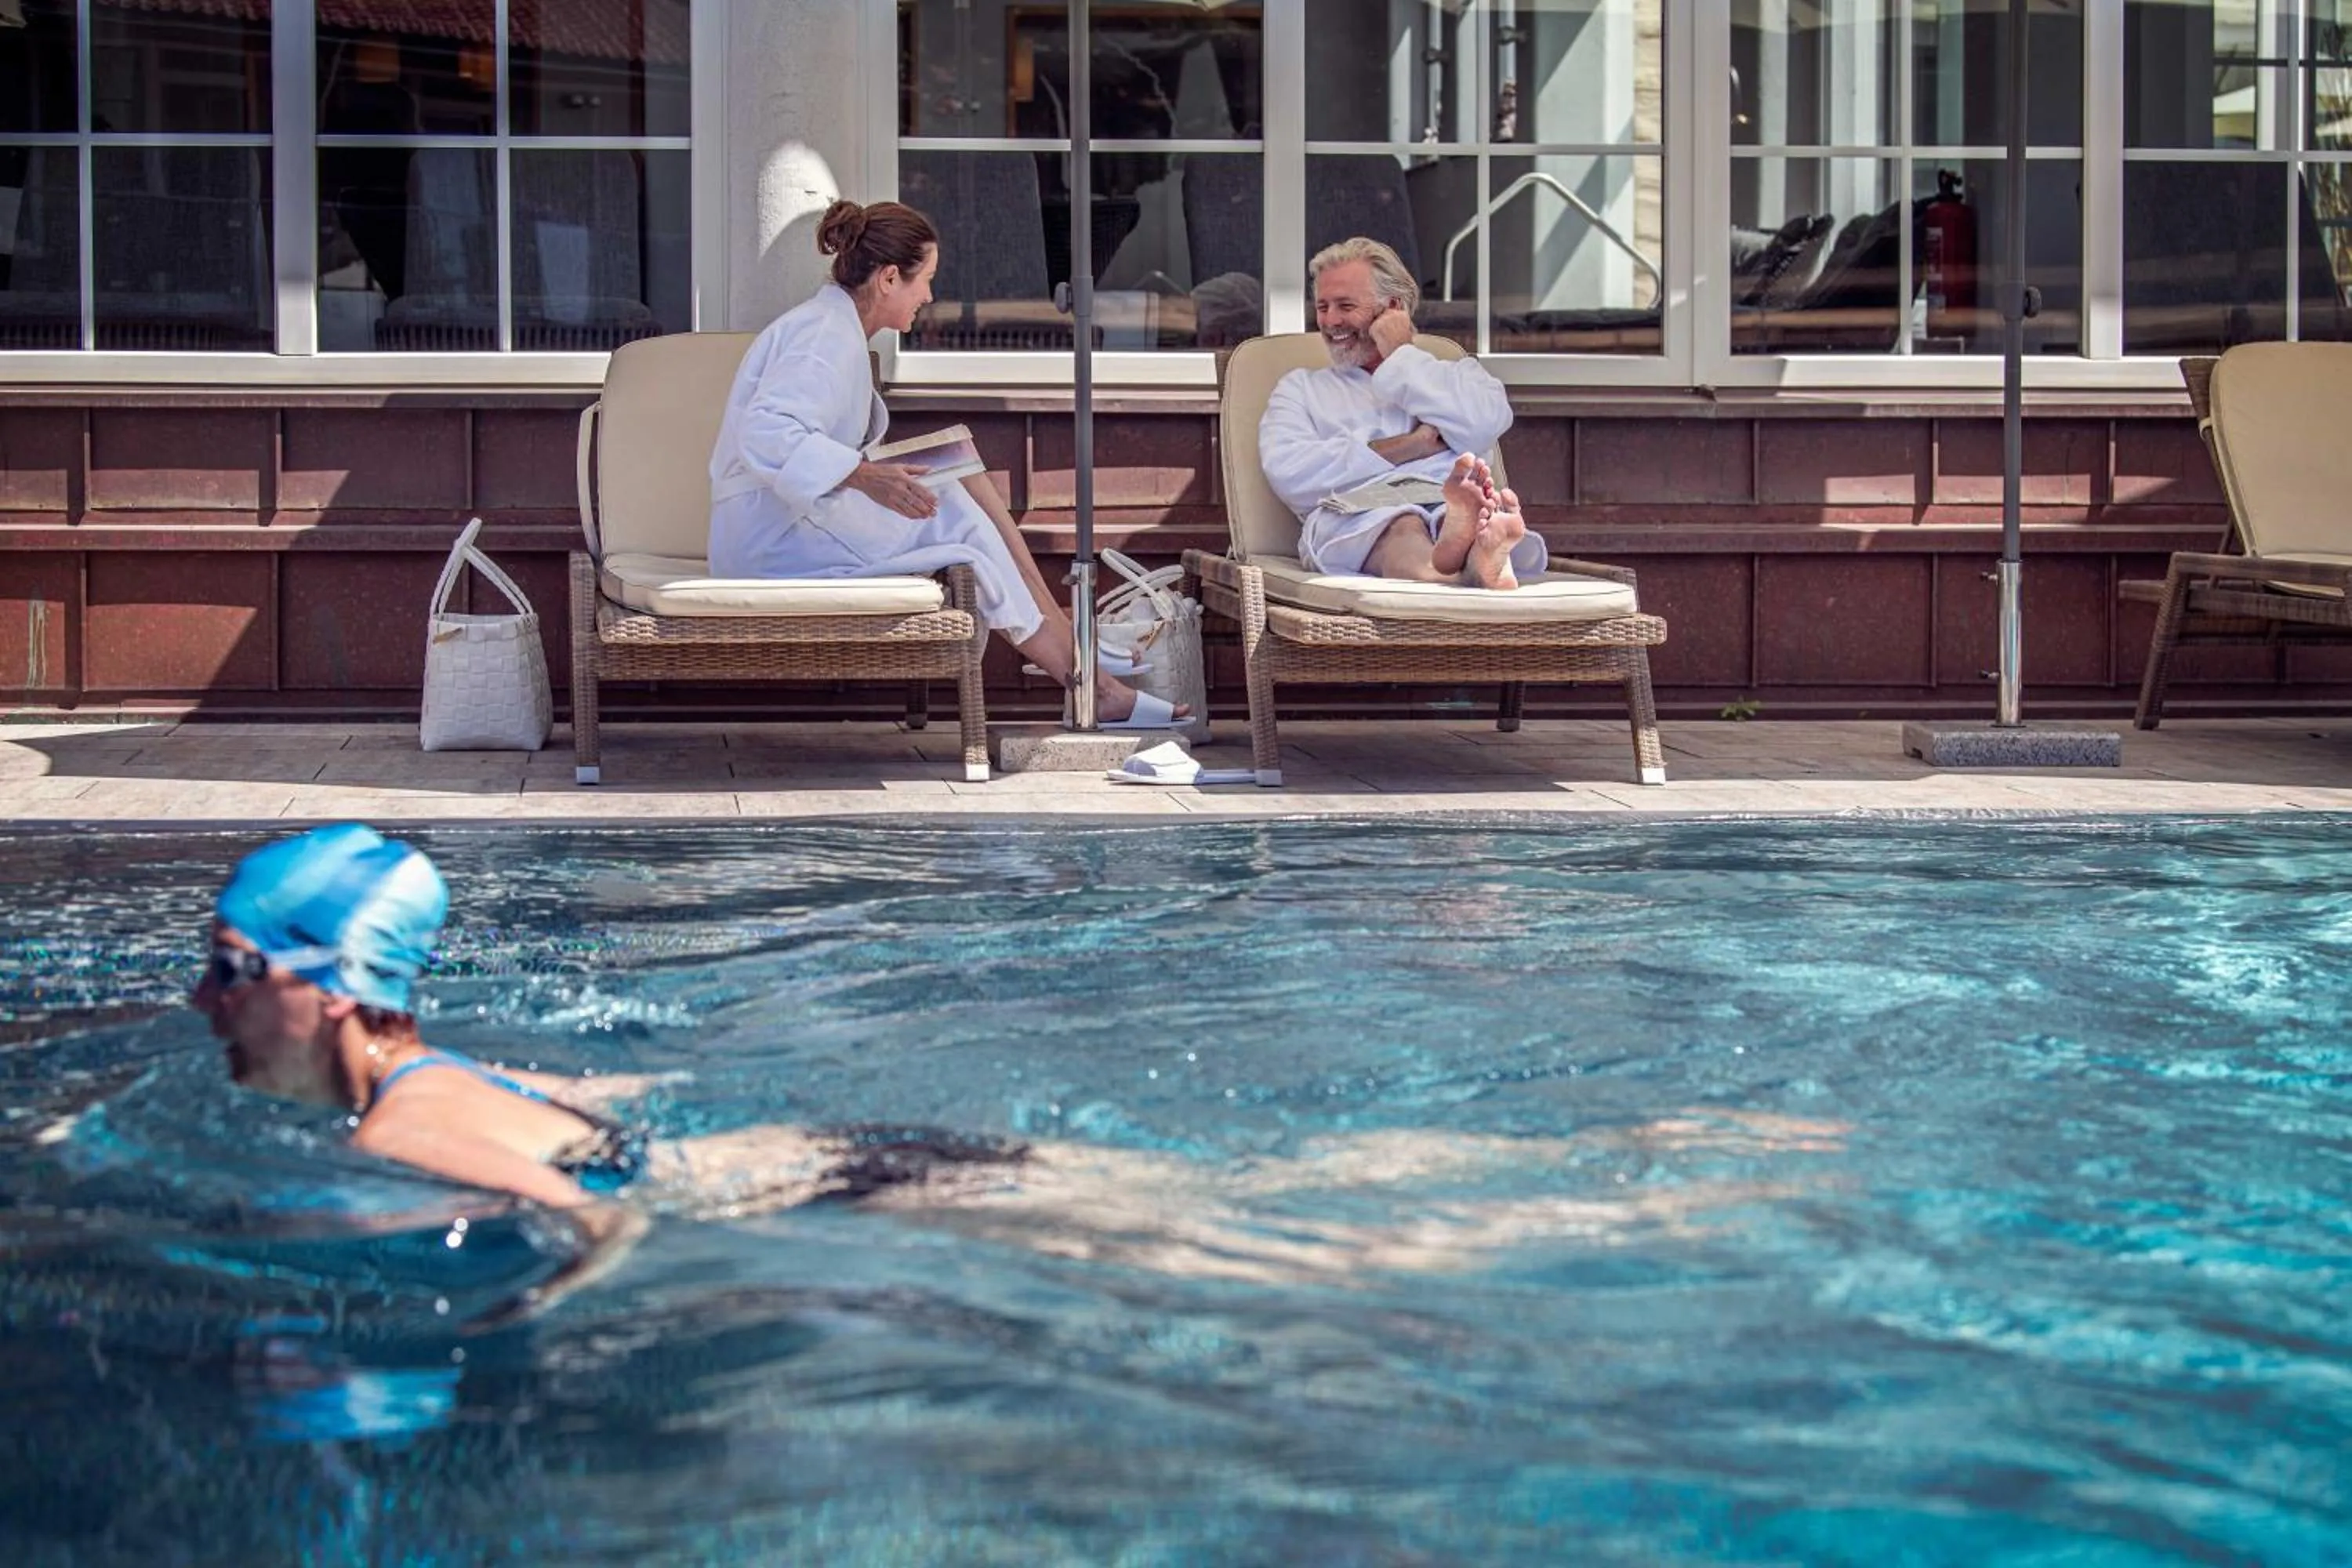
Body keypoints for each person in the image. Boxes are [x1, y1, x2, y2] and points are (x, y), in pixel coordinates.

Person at [194, 826, 1846, 1314]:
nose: (205, 999)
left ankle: (1684, 1182)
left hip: (872, 1182)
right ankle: (1651, 1144)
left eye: (230, 969)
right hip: (865, 1153)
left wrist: (544, 1308)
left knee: (1308, 1253)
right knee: (1258, 1200)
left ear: (326, 991)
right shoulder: (430, 1075)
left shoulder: (414, 1122)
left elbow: (591, 1214)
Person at [708, 198, 1183, 730]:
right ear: (889, 278)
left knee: (962, 469)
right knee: (956, 516)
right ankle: (1086, 679)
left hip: (793, 521)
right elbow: (768, 432)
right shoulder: (822, 336)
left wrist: (871, 472)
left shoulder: (831, 328)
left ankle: (1070, 644)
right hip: (772, 543)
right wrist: (864, 476)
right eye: (924, 280)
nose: (930, 296)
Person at [1260, 237, 1549, 590]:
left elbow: (1485, 425)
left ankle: (1467, 540)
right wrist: (1414, 446)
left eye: (1345, 306)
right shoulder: (1301, 388)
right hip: (1356, 514)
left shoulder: (1458, 374)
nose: (1330, 320)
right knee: (1402, 523)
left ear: (1391, 308)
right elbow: (1291, 474)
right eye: (1322, 307)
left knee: (1447, 513)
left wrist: (1400, 353)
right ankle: (1467, 567)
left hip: (1441, 494)